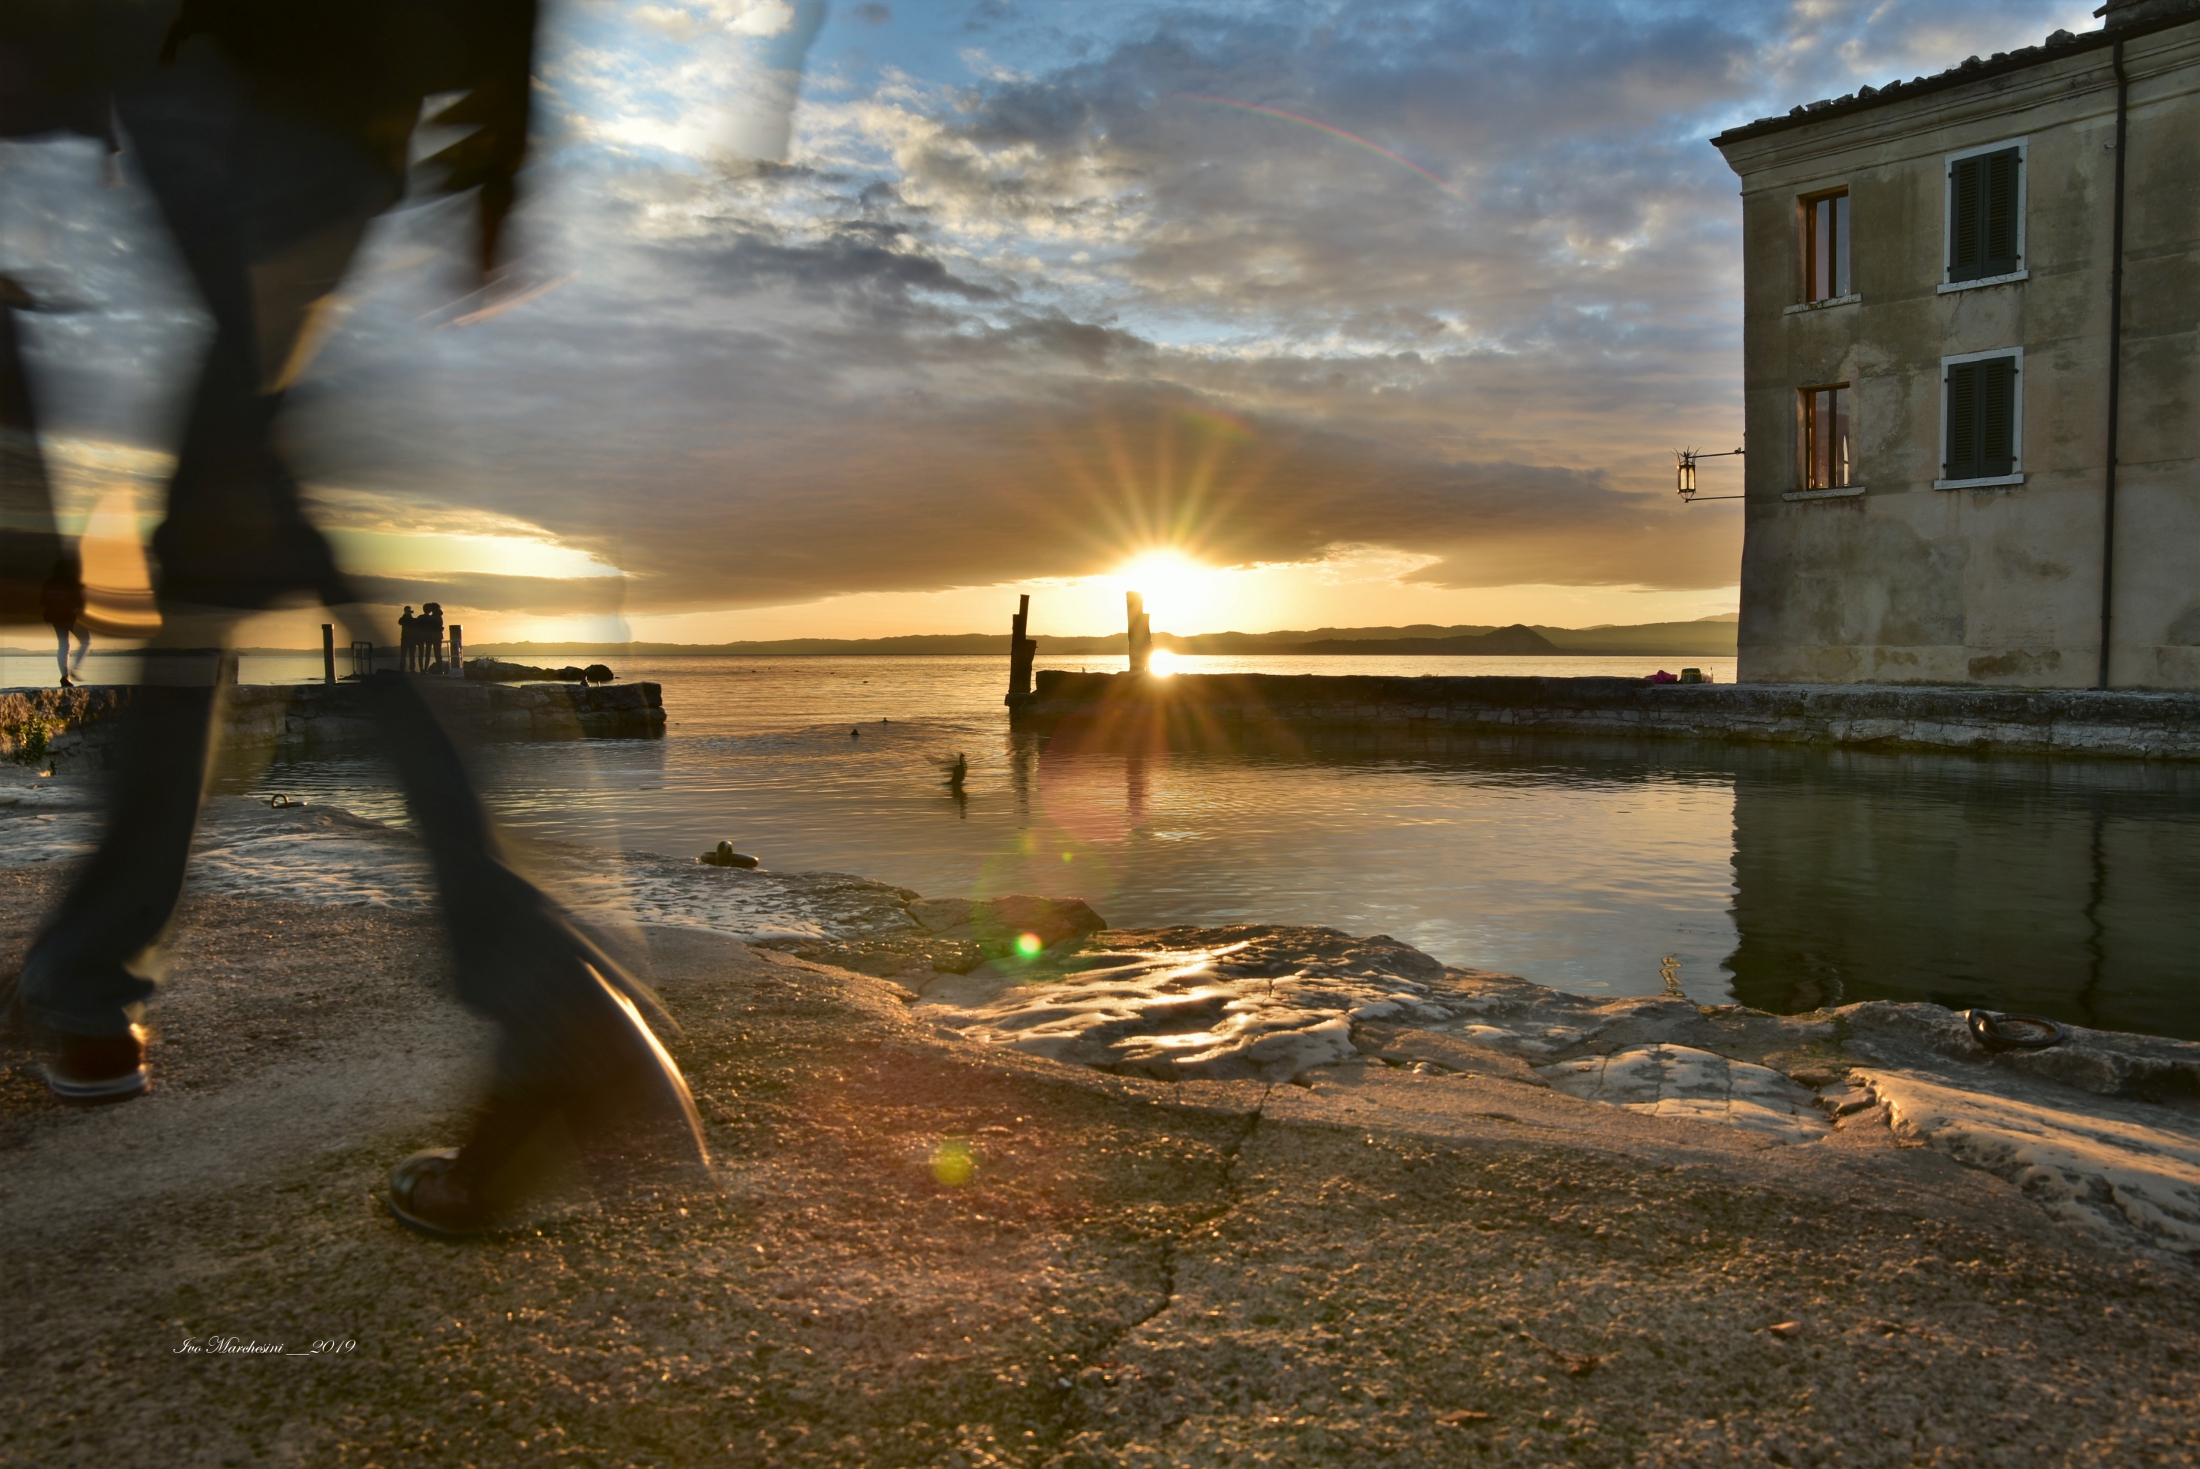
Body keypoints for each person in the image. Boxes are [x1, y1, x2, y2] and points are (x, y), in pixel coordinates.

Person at [1, 4, 708, 1237]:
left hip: (224, 79)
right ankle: (88, 992)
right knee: (222, 531)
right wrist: (501, 140)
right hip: (335, 109)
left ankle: (549, 1008)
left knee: (239, 515)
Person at [41, 555, 89, 686]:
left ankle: (64, 676)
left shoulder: (48, 584)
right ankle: (75, 669)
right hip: (69, 616)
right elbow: (80, 603)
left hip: (54, 617)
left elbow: (43, 602)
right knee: (85, 641)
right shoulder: (71, 583)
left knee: (63, 645)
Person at [397, 605, 419, 672]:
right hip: (405, 639)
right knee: (404, 654)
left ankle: (411, 668)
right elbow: (400, 622)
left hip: (411, 639)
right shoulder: (403, 619)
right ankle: (402, 668)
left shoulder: (411, 620)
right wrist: (406, 615)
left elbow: (415, 623)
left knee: (411, 655)